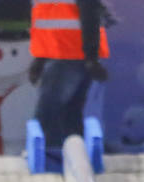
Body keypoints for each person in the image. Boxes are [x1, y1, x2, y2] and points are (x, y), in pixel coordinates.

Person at [27, 0, 111, 169]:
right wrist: (40, 61)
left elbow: (89, 15)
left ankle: (50, 161)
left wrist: (91, 58)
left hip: (68, 55)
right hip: (65, 55)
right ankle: (73, 163)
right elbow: (49, 23)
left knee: (50, 113)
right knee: (68, 114)